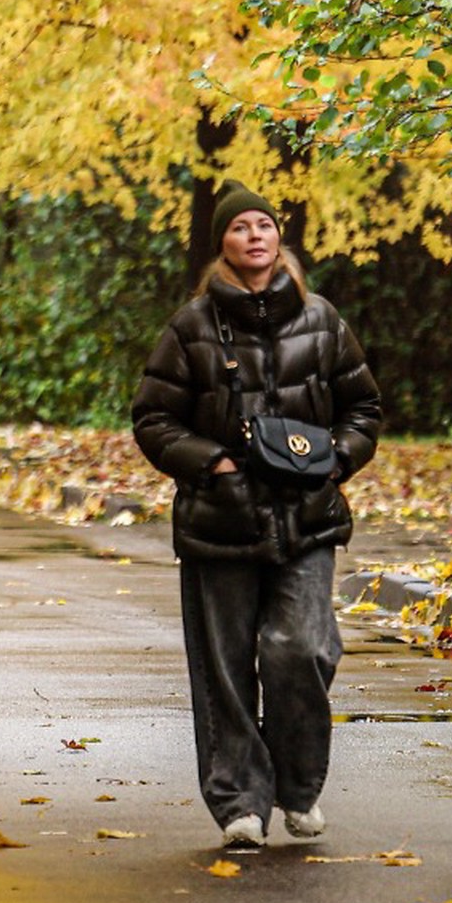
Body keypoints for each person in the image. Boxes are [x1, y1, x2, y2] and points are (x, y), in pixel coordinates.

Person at [131, 180, 382, 850]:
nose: (254, 236)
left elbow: (364, 408)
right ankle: (240, 801)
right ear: (223, 243)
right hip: (221, 520)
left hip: (308, 517)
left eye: (263, 225)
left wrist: (337, 460)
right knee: (225, 670)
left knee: (301, 648)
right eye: (240, 227)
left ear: (279, 237)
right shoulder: (191, 327)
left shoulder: (322, 320)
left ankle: (296, 785)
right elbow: (153, 418)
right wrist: (211, 462)